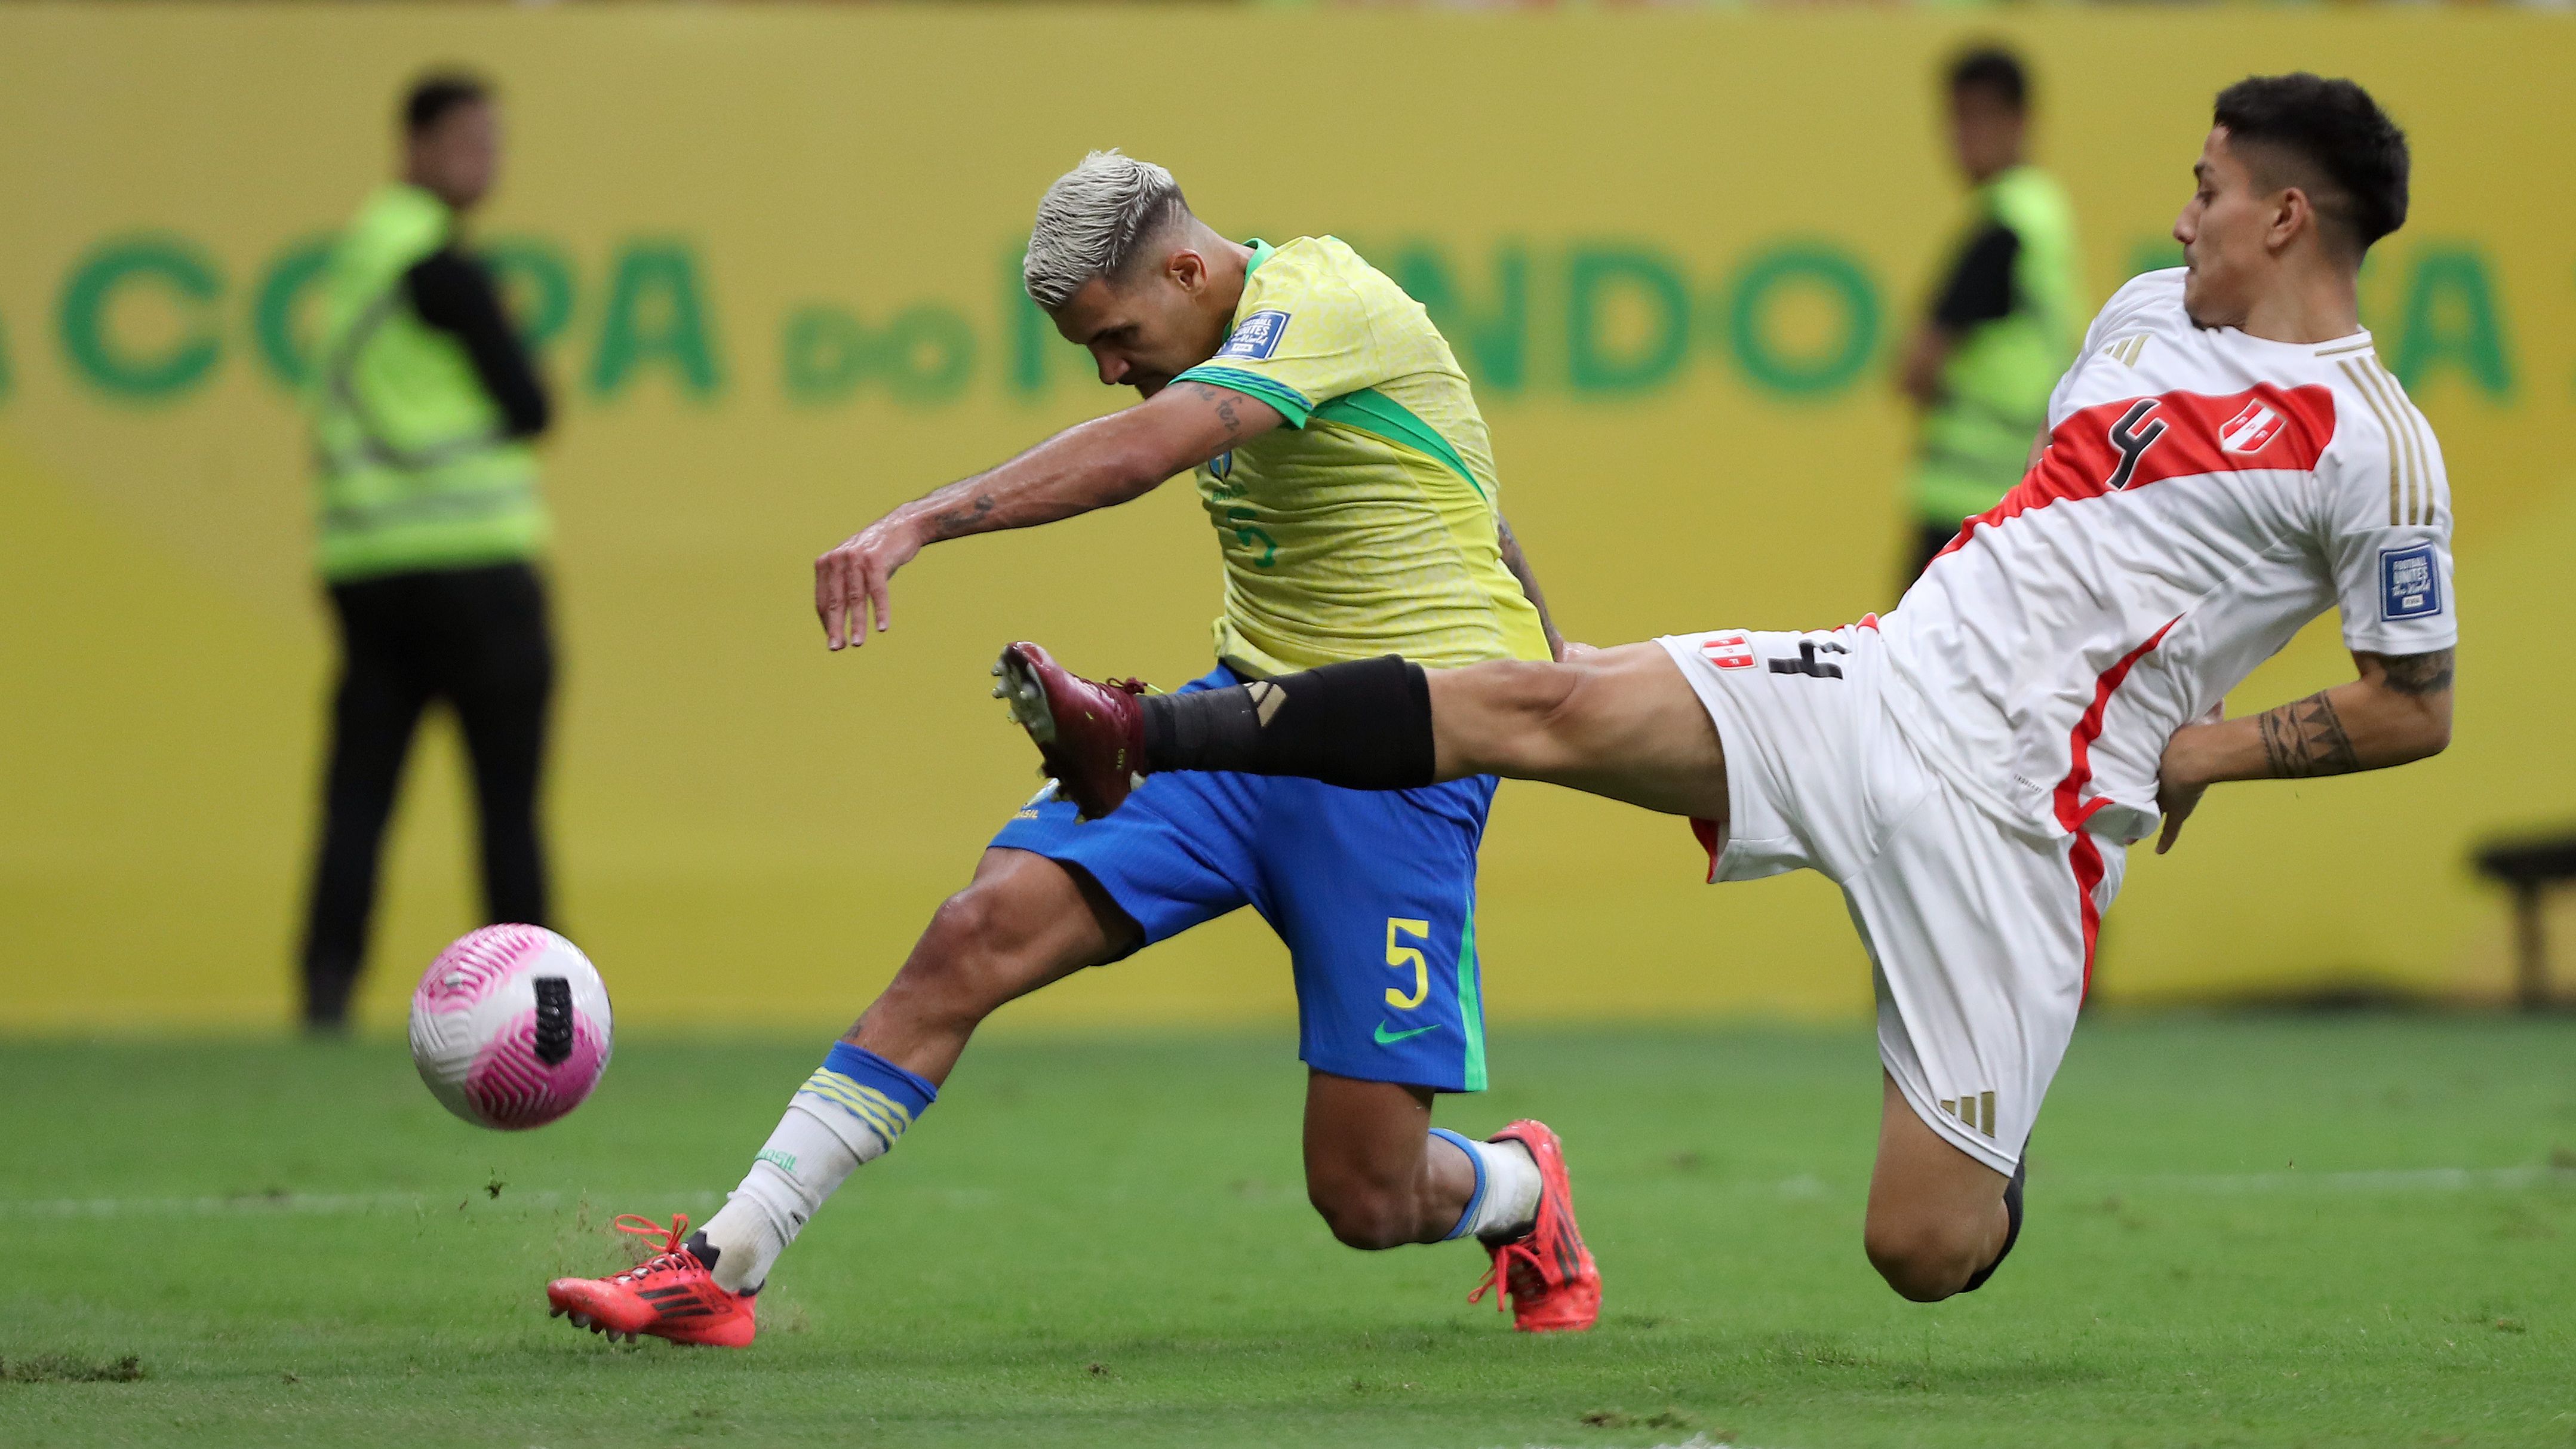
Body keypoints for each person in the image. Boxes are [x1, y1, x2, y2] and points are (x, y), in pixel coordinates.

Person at [1006, 76, 2451, 1303]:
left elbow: (2411, 704)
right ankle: (1146, 730)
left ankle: (1989, 1125)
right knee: (1540, 697)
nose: (2179, 216)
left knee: (1922, 1248)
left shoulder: (2375, 452)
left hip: (2027, 815)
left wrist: (2204, 751)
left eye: (2205, 191)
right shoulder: (2144, 309)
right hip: (1884, 681)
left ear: (2285, 217)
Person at [545, 152, 1597, 1348]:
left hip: (1398, 763)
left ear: (1191, 268)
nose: (1111, 369)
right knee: (971, 933)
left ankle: (1520, 1188)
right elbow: (1477, 503)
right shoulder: (1262, 345)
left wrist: (917, 520)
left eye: (1118, 333)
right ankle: (724, 1263)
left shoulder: (1330, 304)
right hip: (1234, 731)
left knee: (1367, 1195)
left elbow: (1143, 452)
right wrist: (1570, 663)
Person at [298, 73, 557, 1031]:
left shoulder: (359, 257)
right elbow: (531, 407)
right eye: (465, 140)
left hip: (369, 567)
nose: (484, 159)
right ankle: (544, 1003)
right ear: (413, 145)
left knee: (359, 792)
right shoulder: (439, 266)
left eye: (493, 139)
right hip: (477, 568)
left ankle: (325, 991)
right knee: (506, 802)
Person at [1894, 46, 2084, 585]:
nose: (1962, 136)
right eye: (1955, 118)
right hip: (2017, 495)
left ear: (2019, 122)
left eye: (1978, 117)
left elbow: (1913, 368)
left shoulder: (2003, 227)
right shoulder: (2044, 209)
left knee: (1913, 664)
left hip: (1968, 500)